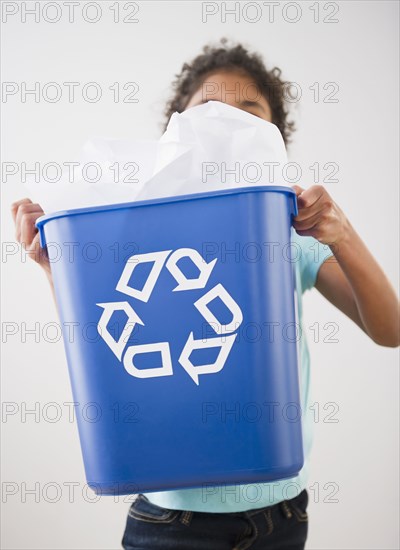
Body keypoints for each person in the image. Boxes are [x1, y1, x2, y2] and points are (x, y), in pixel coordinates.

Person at [12, 40, 399, 550]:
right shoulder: (132, 232)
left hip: (282, 509)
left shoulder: (285, 232)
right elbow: (101, 345)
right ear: (177, 130)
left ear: (274, 135)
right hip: (172, 519)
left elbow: (390, 330)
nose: (228, 121)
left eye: (249, 109)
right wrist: (53, 263)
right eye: (210, 108)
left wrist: (340, 232)